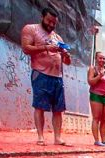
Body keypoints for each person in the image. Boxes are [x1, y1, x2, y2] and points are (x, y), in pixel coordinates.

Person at [20, 6, 71, 146]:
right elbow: (26, 48)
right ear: (42, 17)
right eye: (49, 21)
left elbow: (67, 62)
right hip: (41, 73)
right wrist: (46, 47)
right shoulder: (31, 29)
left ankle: (58, 138)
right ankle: (41, 137)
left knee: (58, 110)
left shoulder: (57, 37)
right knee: (40, 107)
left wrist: (66, 55)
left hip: (57, 77)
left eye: (54, 23)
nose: (51, 25)